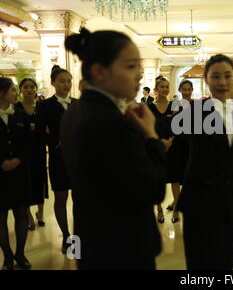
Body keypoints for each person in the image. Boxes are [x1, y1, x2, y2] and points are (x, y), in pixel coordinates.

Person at [61, 28, 166, 270]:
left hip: (95, 243)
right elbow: (154, 189)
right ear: (99, 71)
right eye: (130, 67)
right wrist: (150, 135)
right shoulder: (109, 122)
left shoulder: (75, 111)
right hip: (122, 249)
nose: (138, 75)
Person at [177, 54, 233, 270]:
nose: (222, 82)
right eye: (216, 76)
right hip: (199, 204)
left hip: (230, 204)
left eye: (227, 76)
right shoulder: (194, 113)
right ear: (206, 80)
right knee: (199, 265)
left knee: (224, 261)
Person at [36, 65, 76, 254]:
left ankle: (78, 235)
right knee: (60, 198)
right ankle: (66, 236)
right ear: (53, 83)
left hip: (79, 160)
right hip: (58, 159)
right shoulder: (44, 105)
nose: (66, 84)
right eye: (61, 81)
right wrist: (56, 141)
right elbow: (39, 133)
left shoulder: (78, 104)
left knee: (80, 199)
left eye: (68, 81)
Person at [0, 77, 32, 270]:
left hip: (20, 173)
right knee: (1, 217)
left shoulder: (21, 115)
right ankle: (7, 256)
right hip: (0, 174)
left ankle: (20, 253)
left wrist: (18, 160)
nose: (16, 93)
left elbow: (29, 142)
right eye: (13, 90)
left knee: (22, 214)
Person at [17, 78, 48, 230]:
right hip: (24, 151)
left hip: (39, 149)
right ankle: (28, 215)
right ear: (20, 90)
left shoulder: (41, 106)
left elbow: (47, 127)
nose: (29, 90)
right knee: (26, 182)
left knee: (40, 180)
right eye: (26, 87)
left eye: (32, 87)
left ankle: (40, 213)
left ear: (35, 89)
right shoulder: (16, 107)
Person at [165, 79, 194, 223]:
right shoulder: (174, 105)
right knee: (175, 176)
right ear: (180, 90)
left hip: (191, 145)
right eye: (184, 89)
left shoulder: (196, 106)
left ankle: (183, 203)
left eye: (189, 89)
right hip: (176, 144)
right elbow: (169, 125)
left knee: (188, 177)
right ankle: (176, 205)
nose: (187, 92)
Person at [148, 76, 174, 224]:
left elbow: (178, 125)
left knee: (173, 177)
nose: (164, 89)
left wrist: (170, 141)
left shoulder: (174, 105)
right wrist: (160, 141)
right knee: (157, 179)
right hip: (155, 146)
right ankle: (159, 209)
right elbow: (148, 127)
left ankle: (175, 207)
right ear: (156, 90)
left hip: (171, 146)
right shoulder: (149, 107)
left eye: (167, 86)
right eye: (162, 87)